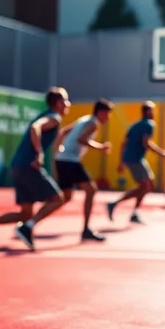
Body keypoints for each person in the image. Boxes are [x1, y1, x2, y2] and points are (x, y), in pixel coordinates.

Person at [0, 87, 71, 251]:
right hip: (28, 166)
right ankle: (27, 227)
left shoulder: (49, 116)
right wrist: (39, 154)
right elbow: (35, 128)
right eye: (66, 100)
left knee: (25, 213)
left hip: (18, 165)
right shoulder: (54, 118)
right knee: (58, 198)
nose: (69, 104)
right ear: (59, 103)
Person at [53, 98, 114, 242]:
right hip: (70, 160)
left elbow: (63, 131)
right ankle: (86, 230)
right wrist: (101, 147)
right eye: (107, 114)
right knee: (91, 190)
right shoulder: (93, 123)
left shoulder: (84, 119)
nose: (108, 117)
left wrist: (58, 149)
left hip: (62, 159)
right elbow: (81, 139)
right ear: (100, 112)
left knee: (64, 197)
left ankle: (31, 221)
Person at [106, 100, 165, 224]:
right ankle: (114, 204)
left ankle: (132, 211)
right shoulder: (149, 124)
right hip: (135, 159)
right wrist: (163, 153)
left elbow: (123, 144)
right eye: (152, 110)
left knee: (149, 186)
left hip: (133, 158)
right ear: (147, 111)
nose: (154, 112)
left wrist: (121, 162)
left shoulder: (135, 125)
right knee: (145, 186)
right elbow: (146, 144)